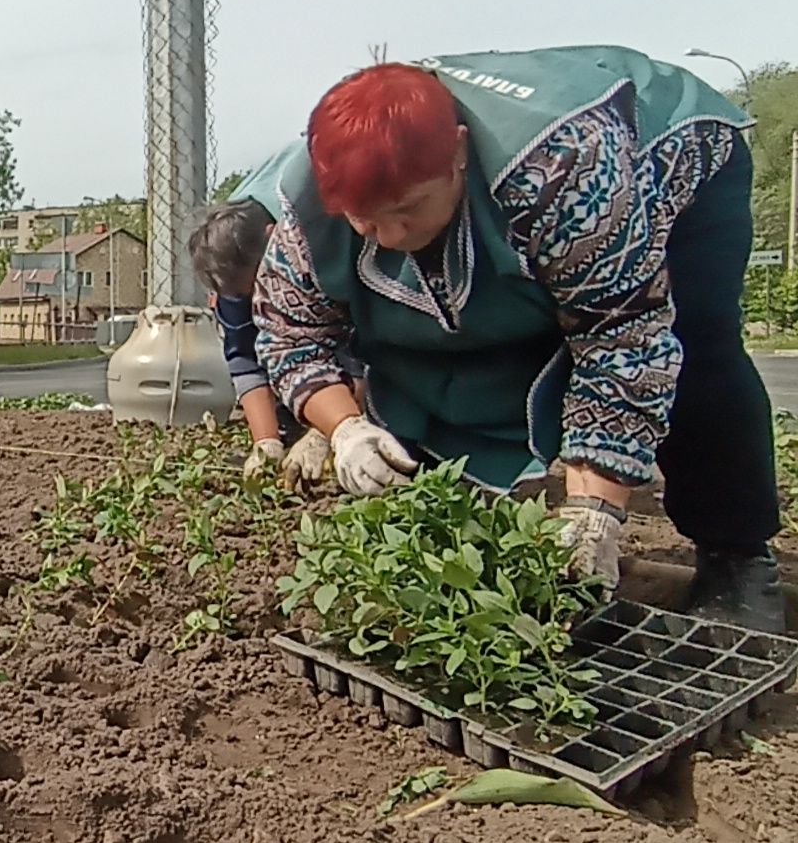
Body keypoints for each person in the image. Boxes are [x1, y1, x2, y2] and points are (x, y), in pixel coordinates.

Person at [251, 45, 780, 632]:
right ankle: (471, 525)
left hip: (669, 161)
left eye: (408, 210)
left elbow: (621, 341)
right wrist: (346, 429)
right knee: (419, 335)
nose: (392, 235)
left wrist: (594, 515)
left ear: (456, 151)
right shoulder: (308, 205)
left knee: (694, 346)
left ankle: (736, 557)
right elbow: (291, 334)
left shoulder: (563, 166)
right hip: (533, 211)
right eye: (366, 221)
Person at [191, 142, 362, 489]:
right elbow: (243, 353)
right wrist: (265, 442)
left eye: (257, 287)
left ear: (275, 242)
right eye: (243, 296)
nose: (255, 301)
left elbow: (366, 345)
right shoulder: (234, 262)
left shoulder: (322, 238)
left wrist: (331, 430)